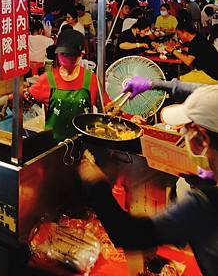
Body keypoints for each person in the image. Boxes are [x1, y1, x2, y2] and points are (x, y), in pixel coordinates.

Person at [77, 85, 218, 276]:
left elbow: (130, 235)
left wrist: (97, 185)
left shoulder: (201, 204)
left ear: (202, 138)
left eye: (186, 129)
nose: (182, 134)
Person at [0, 29, 100, 142]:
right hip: (53, 147)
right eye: (61, 53)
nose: (64, 58)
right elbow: (27, 97)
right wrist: (9, 98)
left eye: (69, 55)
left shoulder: (91, 79)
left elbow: (108, 109)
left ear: (81, 54)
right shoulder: (48, 79)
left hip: (84, 144)